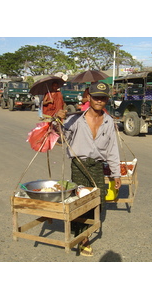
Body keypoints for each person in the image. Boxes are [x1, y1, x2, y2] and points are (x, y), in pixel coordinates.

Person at [56, 82, 121, 256]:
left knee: (98, 201)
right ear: (89, 98)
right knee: (80, 202)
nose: (99, 101)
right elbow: (60, 140)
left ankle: (85, 229)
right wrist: (58, 122)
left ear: (107, 99)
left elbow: (113, 149)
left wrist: (116, 173)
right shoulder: (75, 119)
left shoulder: (109, 121)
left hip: (98, 166)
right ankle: (82, 238)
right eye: (96, 97)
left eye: (103, 98)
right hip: (79, 164)